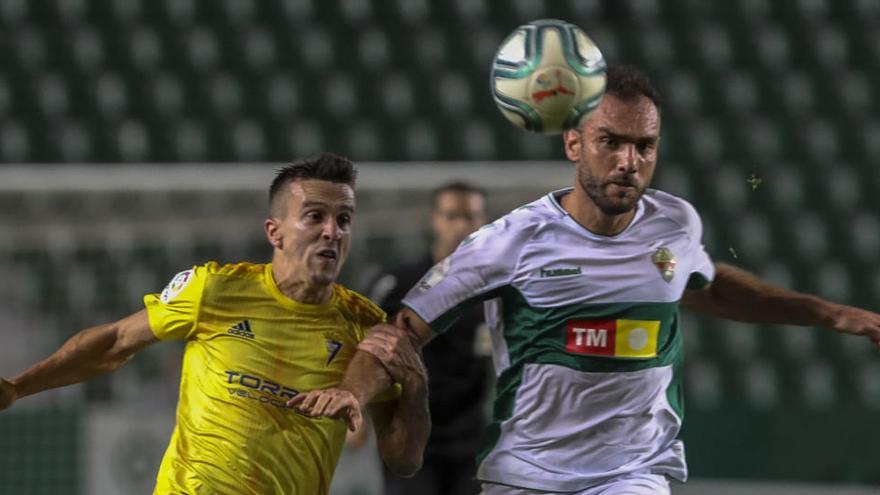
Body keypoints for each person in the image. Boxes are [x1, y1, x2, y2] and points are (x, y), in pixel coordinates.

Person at [292, 67, 880, 495]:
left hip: (633, 472)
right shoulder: (509, 242)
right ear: (574, 143)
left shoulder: (675, 223)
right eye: (611, 142)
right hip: (527, 473)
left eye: (644, 147)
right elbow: (398, 334)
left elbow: (709, 285)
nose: (629, 161)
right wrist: (355, 391)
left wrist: (833, 314)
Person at [0, 153, 430, 495]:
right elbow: (114, 342)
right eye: (315, 216)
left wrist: (415, 386)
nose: (332, 232)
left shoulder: (365, 327)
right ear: (274, 232)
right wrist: (19, 387)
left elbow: (403, 461)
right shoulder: (216, 289)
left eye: (344, 220)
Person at [368, 181, 491, 495]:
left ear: (484, 222)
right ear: (434, 219)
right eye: (452, 216)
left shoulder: (496, 289)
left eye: (470, 217)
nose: (461, 226)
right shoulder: (399, 283)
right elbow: (362, 342)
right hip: (408, 434)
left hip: (472, 442)